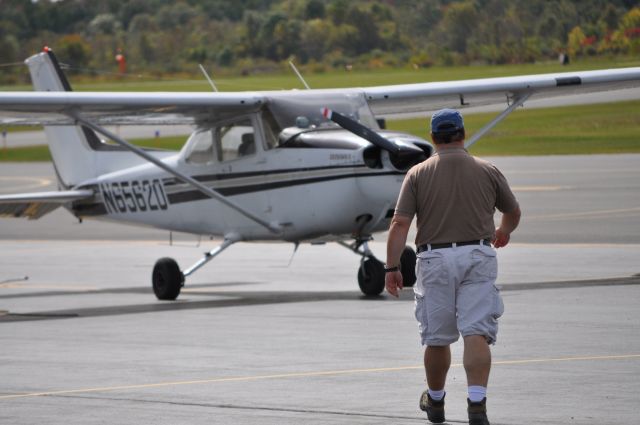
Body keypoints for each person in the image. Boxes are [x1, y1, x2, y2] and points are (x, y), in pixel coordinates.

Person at [384, 109, 521, 425]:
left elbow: (400, 222)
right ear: (462, 134)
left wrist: (392, 267)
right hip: (478, 255)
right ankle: (476, 404)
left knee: (437, 338)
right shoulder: (488, 170)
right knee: (476, 332)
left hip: (435, 259)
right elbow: (513, 211)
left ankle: (435, 401)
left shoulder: (417, 174)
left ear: (433, 138)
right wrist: (504, 231)